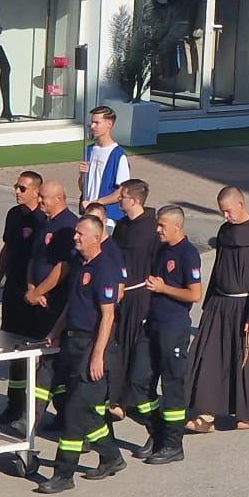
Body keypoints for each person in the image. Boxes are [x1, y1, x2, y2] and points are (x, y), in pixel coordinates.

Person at [33, 214, 125, 492]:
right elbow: (73, 306)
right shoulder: (81, 266)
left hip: (91, 347)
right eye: (75, 233)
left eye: (81, 234)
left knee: (74, 411)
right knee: (86, 413)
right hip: (72, 344)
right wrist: (55, 331)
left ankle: (64, 474)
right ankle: (111, 456)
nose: (75, 237)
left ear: (96, 238)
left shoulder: (104, 268)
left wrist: (98, 356)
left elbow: (108, 316)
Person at [185, 188, 249, 433]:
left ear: (241, 204)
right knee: (210, 357)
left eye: (228, 210)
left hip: (247, 306)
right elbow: (218, 268)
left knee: (246, 361)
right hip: (220, 303)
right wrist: (209, 304)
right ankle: (206, 413)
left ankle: (248, 413)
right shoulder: (225, 231)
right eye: (222, 211)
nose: (226, 216)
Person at [137, 206, 202, 464]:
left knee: (172, 386)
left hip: (173, 327)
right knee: (139, 381)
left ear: (178, 226)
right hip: (151, 323)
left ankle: (173, 445)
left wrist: (165, 288)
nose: (158, 229)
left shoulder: (188, 253)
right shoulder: (161, 249)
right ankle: (157, 432)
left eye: (162, 225)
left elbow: (194, 294)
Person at [0, 171, 45, 426]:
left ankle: (38, 409)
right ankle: (14, 403)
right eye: (16, 187)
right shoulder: (13, 215)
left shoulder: (43, 220)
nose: (17, 191)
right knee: (12, 348)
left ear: (37, 191)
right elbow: (7, 249)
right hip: (13, 290)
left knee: (34, 352)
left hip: (34, 296)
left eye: (23, 188)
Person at [22, 180, 77, 425]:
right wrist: (32, 287)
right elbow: (35, 259)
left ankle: (33, 417)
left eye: (44, 197)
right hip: (39, 301)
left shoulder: (67, 226)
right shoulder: (47, 224)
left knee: (51, 360)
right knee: (49, 360)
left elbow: (62, 267)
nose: (40, 200)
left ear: (58, 198)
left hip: (55, 303)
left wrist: (39, 291)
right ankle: (61, 414)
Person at [109, 178, 158, 424]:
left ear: (135, 200)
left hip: (140, 295)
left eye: (123, 196)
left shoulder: (151, 228)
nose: (119, 199)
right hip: (120, 294)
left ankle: (128, 399)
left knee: (133, 346)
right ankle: (115, 396)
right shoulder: (121, 226)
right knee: (117, 344)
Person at [79, 105, 130, 221]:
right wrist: (82, 174)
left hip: (107, 217)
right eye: (92, 122)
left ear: (109, 124)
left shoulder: (118, 155)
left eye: (97, 123)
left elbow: (122, 192)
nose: (92, 126)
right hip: (88, 212)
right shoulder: (89, 150)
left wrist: (96, 203)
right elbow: (82, 187)